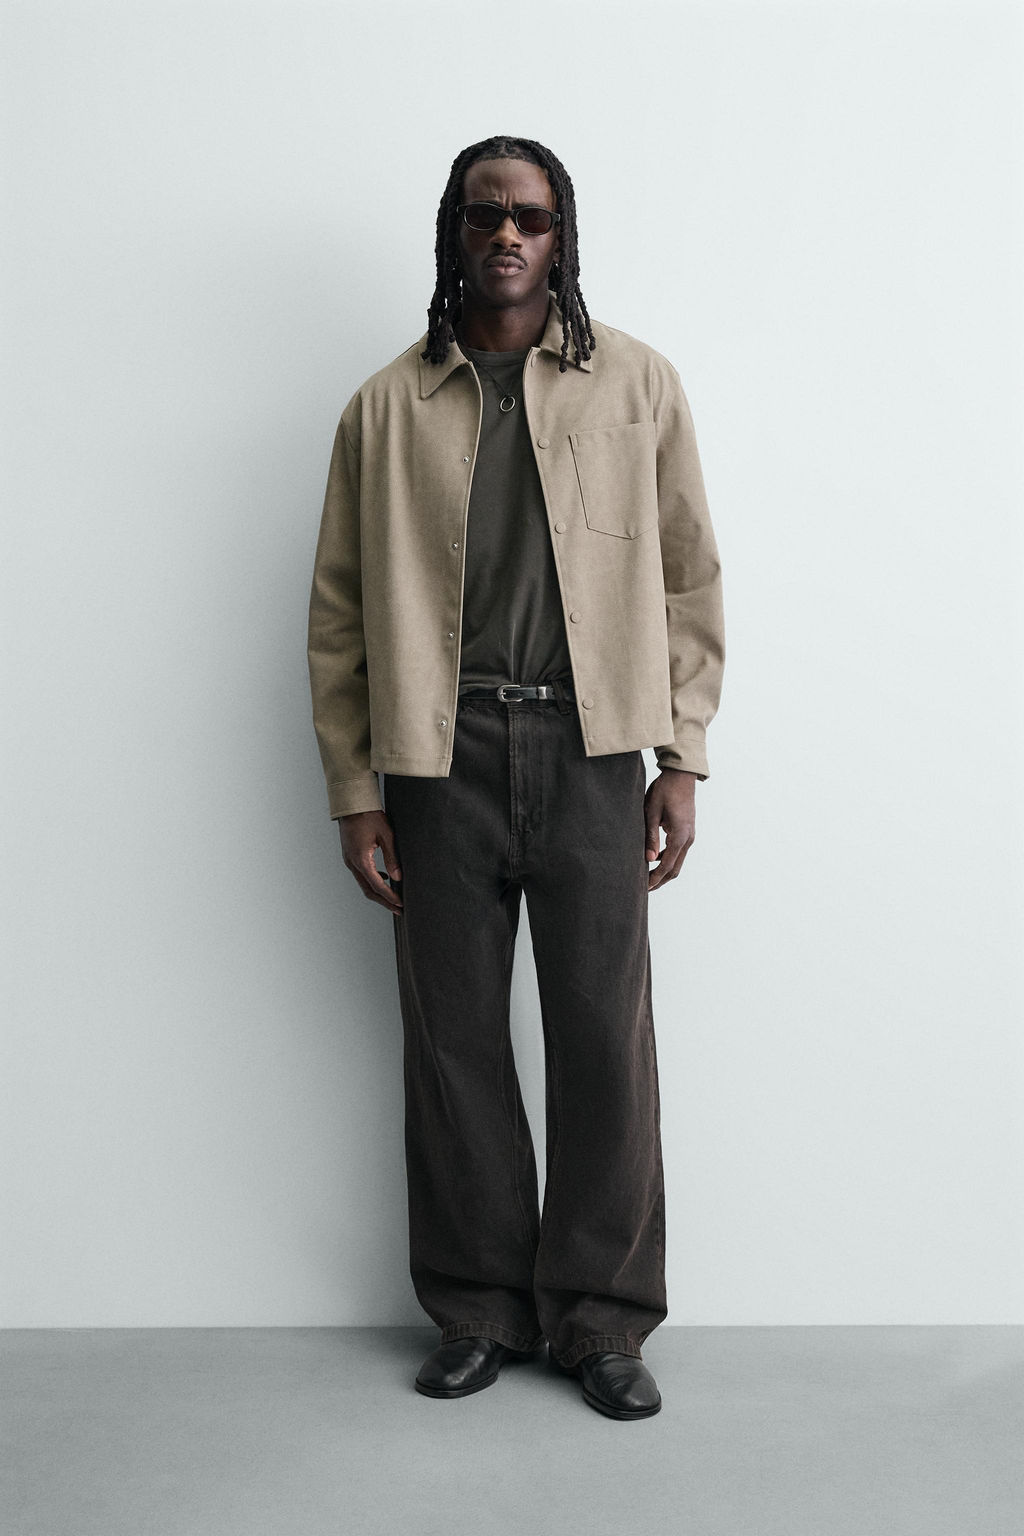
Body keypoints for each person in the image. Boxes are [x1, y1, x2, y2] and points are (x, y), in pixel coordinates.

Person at [307, 134, 725, 1421]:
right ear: (454, 232)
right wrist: (356, 790)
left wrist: (681, 754)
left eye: (530, 217)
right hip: (439, 758)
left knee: (603, 1039)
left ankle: (602, 1319)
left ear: (561, 237)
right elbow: (339, 615)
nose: (507, 234)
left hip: (595, 752)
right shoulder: (385, 408)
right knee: (454, 1042)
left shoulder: (637, 384)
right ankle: (479, 1308)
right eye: (485, 214)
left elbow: (687, 576)